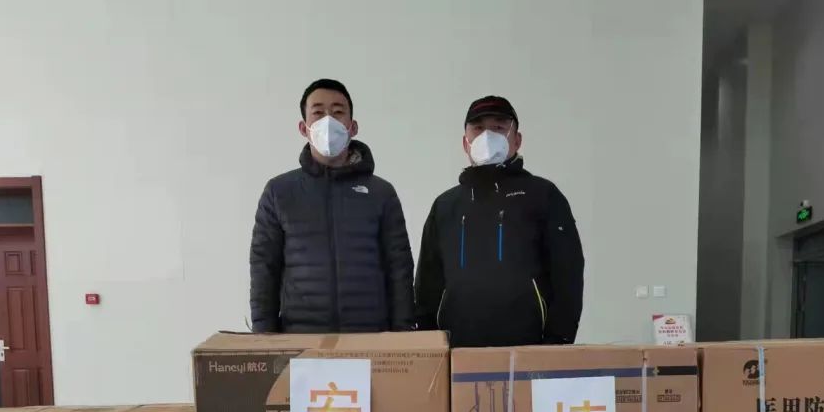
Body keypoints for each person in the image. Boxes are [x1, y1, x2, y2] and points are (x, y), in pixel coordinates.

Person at [414, 96, 584, 347]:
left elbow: (568, 272)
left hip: (529, 347)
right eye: (478, 128)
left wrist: (558, 340)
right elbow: (427, 283)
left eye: (499, 127)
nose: (487, 136)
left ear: (517, 140)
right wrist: (430, 344)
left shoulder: (543, 195)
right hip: (458, 349)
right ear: (465, 142)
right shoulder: (445, 205)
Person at [249, 79, 414, 333]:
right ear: (304, 128)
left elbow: (399, 268)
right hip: (301, 339)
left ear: (352, 127)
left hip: (370, 337)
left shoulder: (381, 193)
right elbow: (264, 268)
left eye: (338, 112)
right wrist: (264, 337)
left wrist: (402, 335)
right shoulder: (278, 192)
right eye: (318, 113)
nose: (328, 121)